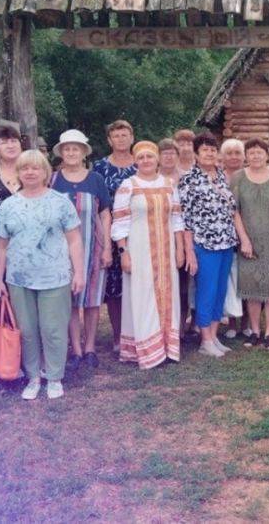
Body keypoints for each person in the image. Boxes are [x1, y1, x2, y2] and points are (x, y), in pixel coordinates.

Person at [0, 150, 84, 400]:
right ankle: (33, 376)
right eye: (25, 168)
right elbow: (1, 244)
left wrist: (79, 272)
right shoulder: (8, 206)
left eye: (36, 168)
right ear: (19, 173)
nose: (30, 172)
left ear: (46, 172)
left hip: (55, 277)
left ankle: (54, 376)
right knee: (28, 330)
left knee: (53, 329)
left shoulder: (60, 202)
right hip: (19, 279)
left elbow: (75, 239)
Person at [111, 141, 185, 369]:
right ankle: (147, 349)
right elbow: (120, 222)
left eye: (150, 157)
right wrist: (123, 252)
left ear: (157, 159)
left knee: (168, 294)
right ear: (135, 160)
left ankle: (167, 348)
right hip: (140, 250)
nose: (146, 161)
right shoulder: (128, 185)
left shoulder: (168, 184)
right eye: (141, 157)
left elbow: (176, 219)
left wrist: (180, 248)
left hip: (166, 252)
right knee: (143, 296)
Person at [51, 130, 112, 372]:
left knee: (92, 300)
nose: (71, 152)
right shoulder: (53, 180)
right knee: (71, 301)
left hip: (93, 248)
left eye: (76, 148)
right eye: (67, 149)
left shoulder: (95, 179)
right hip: (61, 250)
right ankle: (75, 350)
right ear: (61, 153)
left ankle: (90, 349)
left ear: (84, 152)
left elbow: (105, 214)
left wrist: (107, 247)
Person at [179, 132, 238, 358]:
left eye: (213, 149)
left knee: (220, 291)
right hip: (204, 243)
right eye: (205, 149)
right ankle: (204, 340)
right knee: (207, 290)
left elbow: (230, 210)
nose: (210, 153)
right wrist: (190, 252)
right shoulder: (189, 179)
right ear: (196, 154)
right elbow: (185, 218)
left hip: (226, 242)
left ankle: (213, 336)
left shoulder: (221, 176)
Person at [231, 138, 269, 350]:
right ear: (246, 156)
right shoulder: (237, 178)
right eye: (252, 152)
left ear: (267, 155)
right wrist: (244, 239)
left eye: (260, 152)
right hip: (248, 242)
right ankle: (254, 331)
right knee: (251, 286)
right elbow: (234, 211)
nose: (256, 156)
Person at [92, 120, 136, 353]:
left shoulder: (143, 165)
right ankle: (119, 335)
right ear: (109, 140)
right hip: (110, 234)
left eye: (124, 134)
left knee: (138, 284)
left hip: (138, 235)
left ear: (132, 137)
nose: (120, 139)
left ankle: (139, 332)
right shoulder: (99, 167)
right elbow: (97, 203)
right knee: (114, 288)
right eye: (116, 135)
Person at [159, 137, 192, 336]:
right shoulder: (152, 177)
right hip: (159, 235)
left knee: (183, 284)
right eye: (165, 153)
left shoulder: (187, 177)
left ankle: (180, 328)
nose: (169, 157)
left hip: (185, 234)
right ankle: (161, 325)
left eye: (172, 153)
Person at [219, 138, 247, 338]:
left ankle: (247, 322)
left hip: (248, 233)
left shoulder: (249, 175)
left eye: (237, 152)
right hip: (224, 235)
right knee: (229, 279)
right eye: (229, 153)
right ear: (222, 156)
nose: (234, 156)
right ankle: (231, 322)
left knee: (245, 278)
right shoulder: (218, 177)